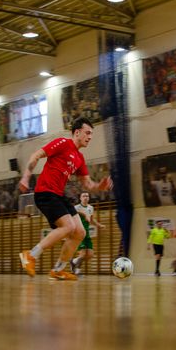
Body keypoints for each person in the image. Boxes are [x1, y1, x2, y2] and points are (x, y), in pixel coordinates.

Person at [18, 117, 113, 281]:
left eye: (91, 134)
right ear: (77, 132)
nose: (90, 137)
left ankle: (58, 269)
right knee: (68, 226)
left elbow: (87, 184)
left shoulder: (79, 158)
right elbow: (36, 155)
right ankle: (30, 255)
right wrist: (26, 178)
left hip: (59, 195)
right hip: (45, 192)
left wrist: (100, 186)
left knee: (80, 232)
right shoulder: (62, 143)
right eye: (87, 133)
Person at [70, 191, 105, 275]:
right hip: (79, 232)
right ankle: (76, 271)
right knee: (82, 253)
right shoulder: (76, 207)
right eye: (84, 196)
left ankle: (74, 261)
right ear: (80, 198)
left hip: (87, 233)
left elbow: (91, 220)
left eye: (87, 196)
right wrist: (83, 214)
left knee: (90, 254)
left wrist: (99, 225)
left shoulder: (90, 208)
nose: (85, 197)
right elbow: (70, 215)